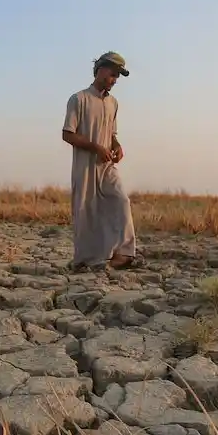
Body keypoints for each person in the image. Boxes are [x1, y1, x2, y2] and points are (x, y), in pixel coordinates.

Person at [61, 51, 142, 271]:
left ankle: (124, 254)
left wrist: (116, 146)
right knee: (87, 211)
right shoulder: (78, 99)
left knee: (120, 200)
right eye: (112, 74)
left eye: (117, 76)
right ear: (99, 70)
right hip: (85, 165)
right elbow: (68, 134)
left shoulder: (113, 103)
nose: (114, 80)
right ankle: (87, 260)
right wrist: (96, 147)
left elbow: (111, 133)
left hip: (107, 166)